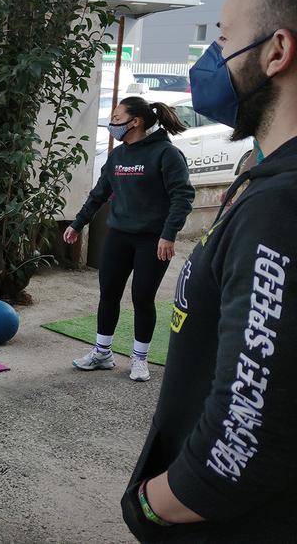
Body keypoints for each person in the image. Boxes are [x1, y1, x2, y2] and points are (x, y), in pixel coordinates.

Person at [121, 0, 297, 540]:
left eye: (223, 36)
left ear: (278, 51)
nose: (211, 56)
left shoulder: (294, 209)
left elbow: (248, 437)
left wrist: (152, 505)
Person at [64, 96, 194, 382]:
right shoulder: (118, 156)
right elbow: (98, 195)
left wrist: (169, 235)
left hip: (153, 240)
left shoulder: (166, 154)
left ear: (135, 122)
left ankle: (139, 358)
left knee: (142, 298)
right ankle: (102, 352)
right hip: (119, 236)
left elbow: (182, 197)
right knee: (108, 293)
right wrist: (77, 224)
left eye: (116, 117)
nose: (112, 123)